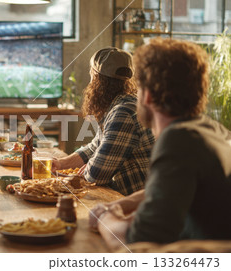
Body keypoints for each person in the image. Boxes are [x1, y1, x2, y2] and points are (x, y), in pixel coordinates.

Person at [90, 38, 231, 250]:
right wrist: (120, 204)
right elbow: (167, 190)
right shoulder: (211, 129)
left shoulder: (178, 140)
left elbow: (134, 242)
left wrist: (104, 219)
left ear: (147, 96)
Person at [54, 47, 154, 195]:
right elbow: (96, 146)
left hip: (136, 205)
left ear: (96, 78)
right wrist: (60, 163)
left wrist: (88, 169)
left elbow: (96, 175)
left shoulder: (123, 113)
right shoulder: (123, 104)